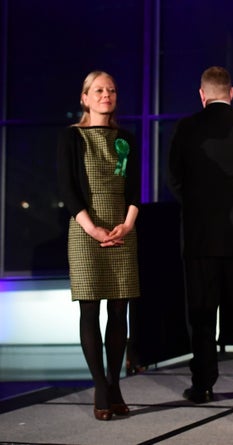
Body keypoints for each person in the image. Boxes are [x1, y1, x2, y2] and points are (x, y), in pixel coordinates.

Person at [167, 66, 233, 403]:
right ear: (231, 92)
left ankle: (203, 385)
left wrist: (199, 209)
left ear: (202, 94)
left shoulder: (186, 128)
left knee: (201, 313)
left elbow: (175, 180)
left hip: (200, 237)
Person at [57, 71, 141, 421]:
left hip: (122, 229)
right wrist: (93, 229)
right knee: (90, 309)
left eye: (111, 90)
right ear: (85, 97)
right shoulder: (72, 138)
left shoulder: (126, 138)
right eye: (98, 90)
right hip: (86, 229)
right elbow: (67, 189)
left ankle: (115, 382)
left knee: (120, 310)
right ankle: (100, 387)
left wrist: (127, 224)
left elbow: (134, 189)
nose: (106, 95)